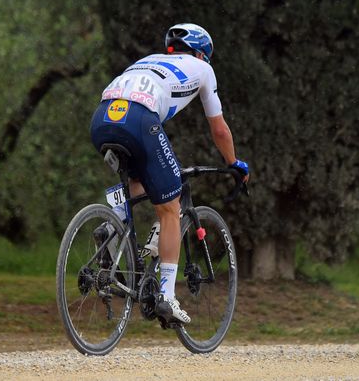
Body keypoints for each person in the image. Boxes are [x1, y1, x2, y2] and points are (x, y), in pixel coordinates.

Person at [90, 23, 249, 323]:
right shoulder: (202, 69)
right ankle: (167, 296)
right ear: (202, 54)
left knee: (138, 180)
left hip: (102, 118)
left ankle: (112, 228)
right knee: (170, 207)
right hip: (139, 118)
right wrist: (234, 162)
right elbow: (218, 128)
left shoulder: (148, 61)